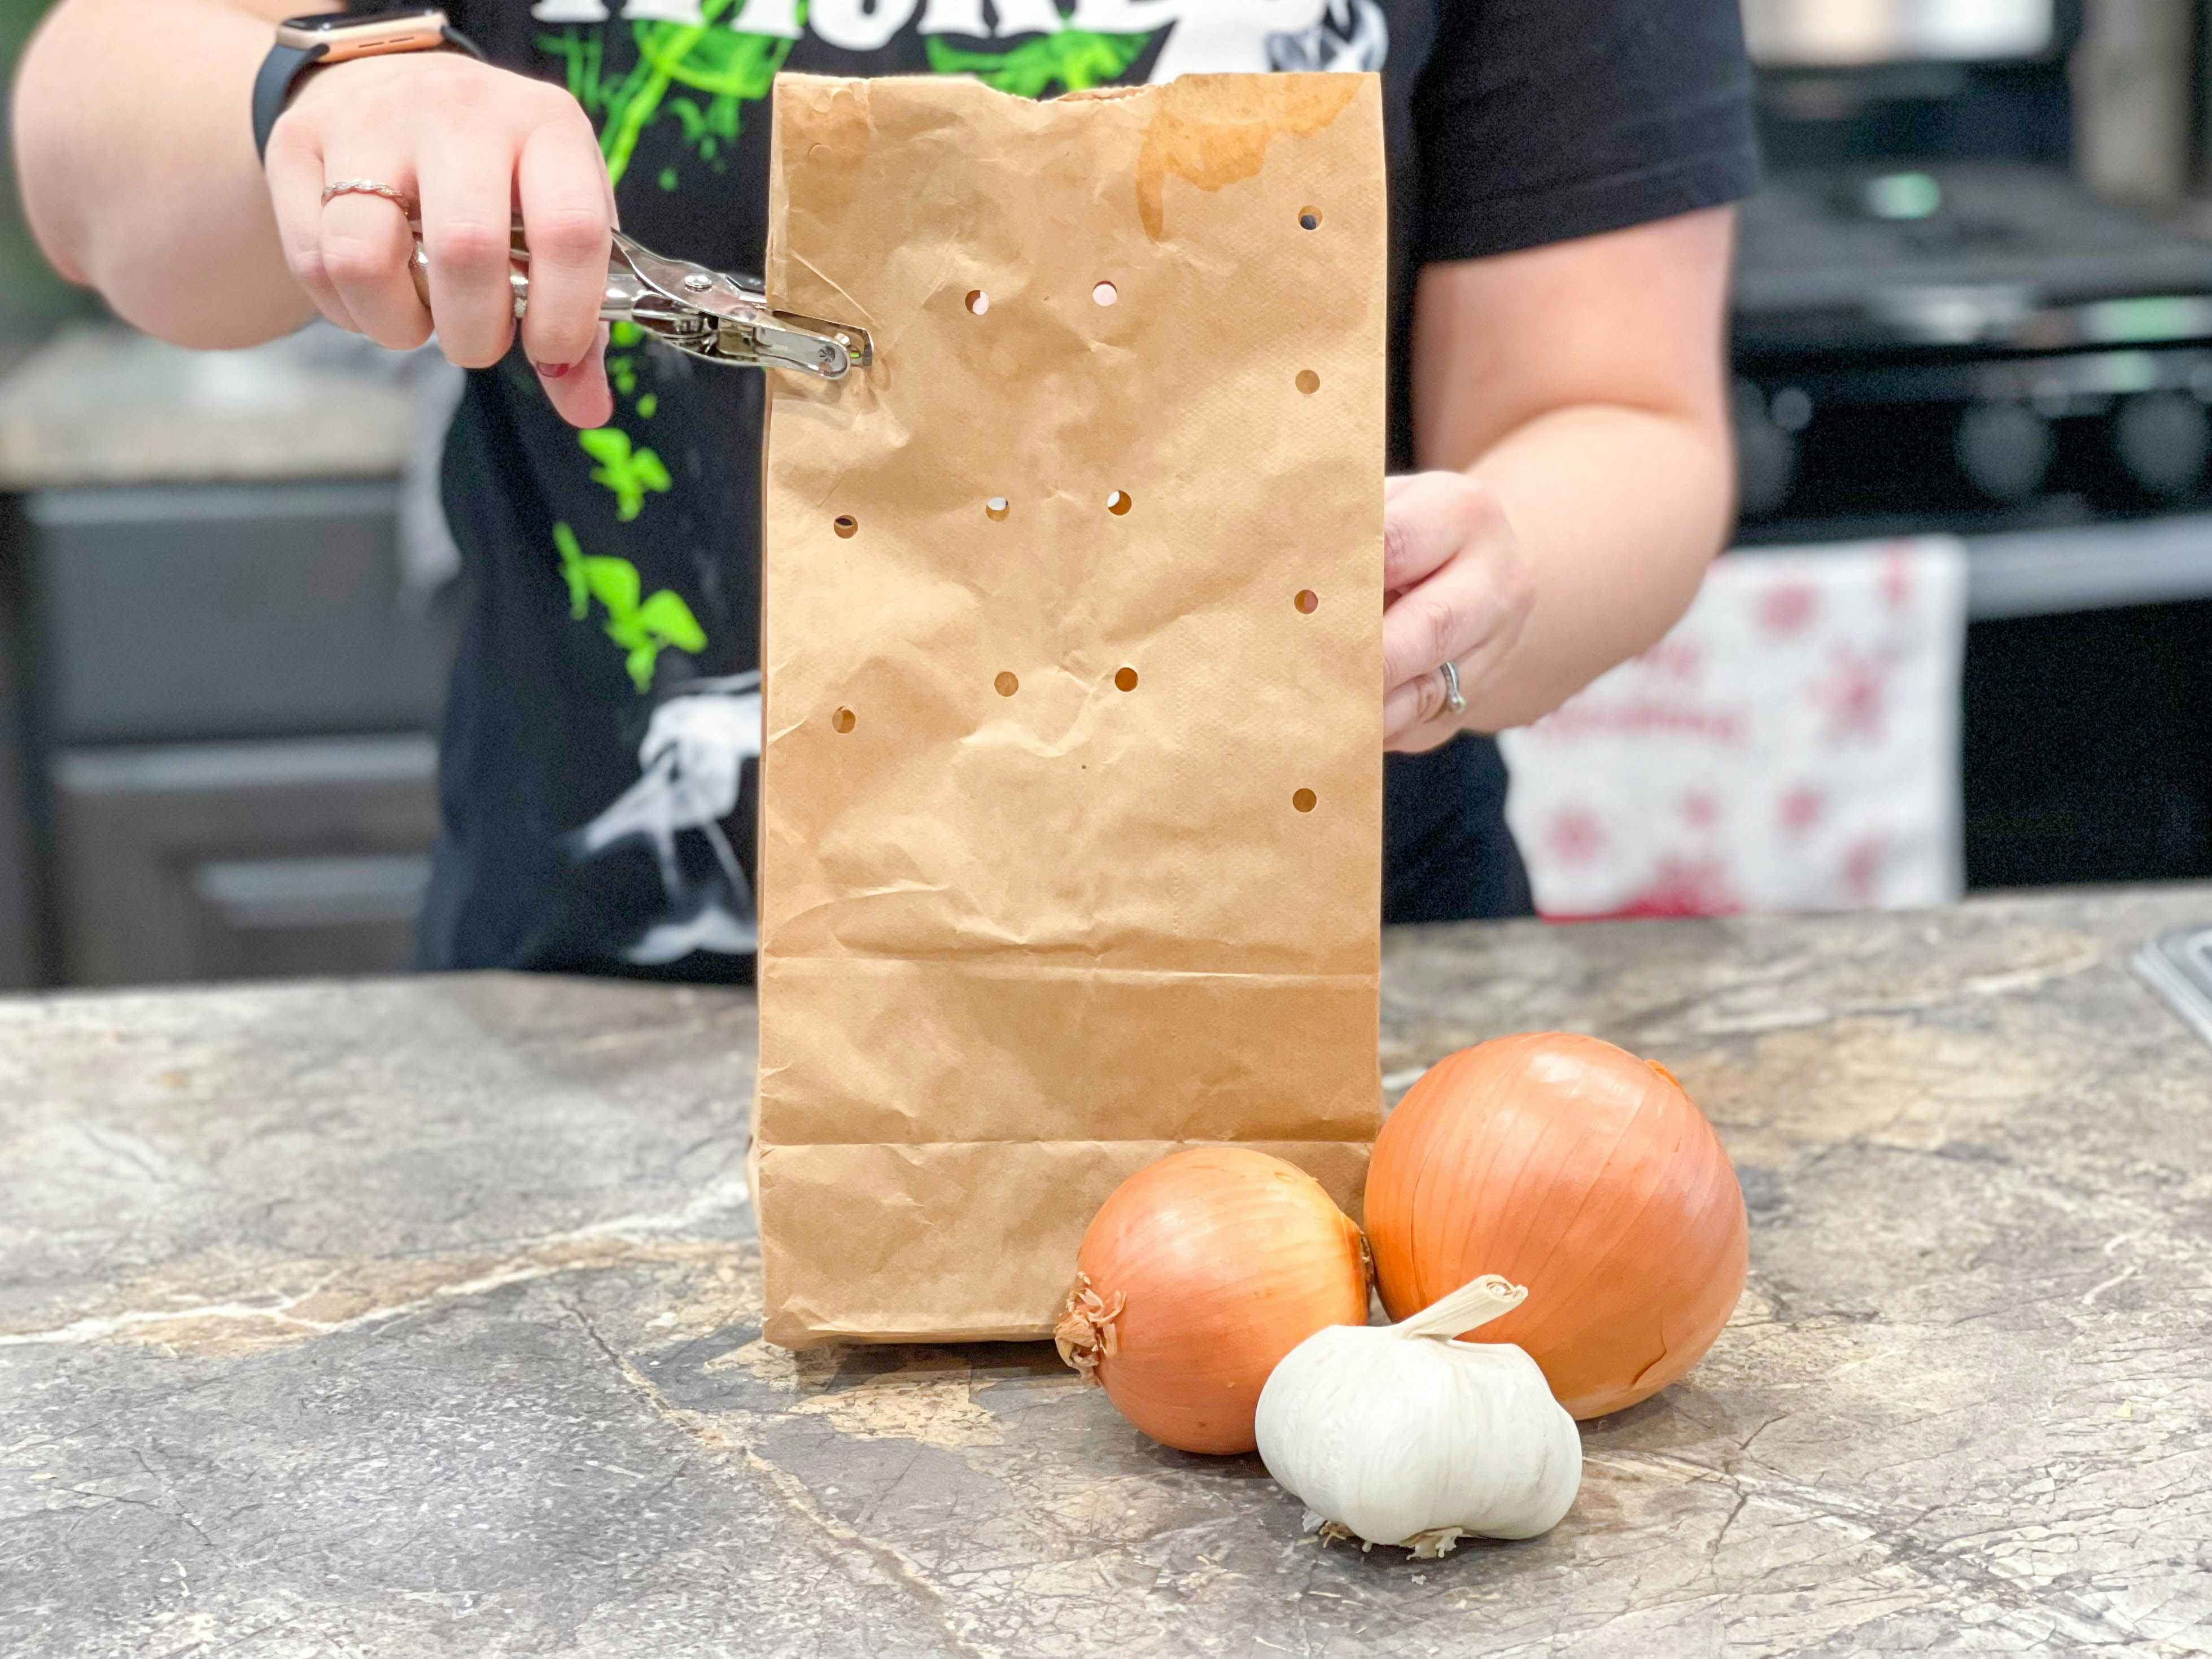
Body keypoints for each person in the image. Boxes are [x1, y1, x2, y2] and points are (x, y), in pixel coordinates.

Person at [14, 0, 1756, 980]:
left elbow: (1620, 418)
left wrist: (1486, 584)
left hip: (1304, 1008)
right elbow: (90, 157)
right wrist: (319, 94)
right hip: (598, 1010)